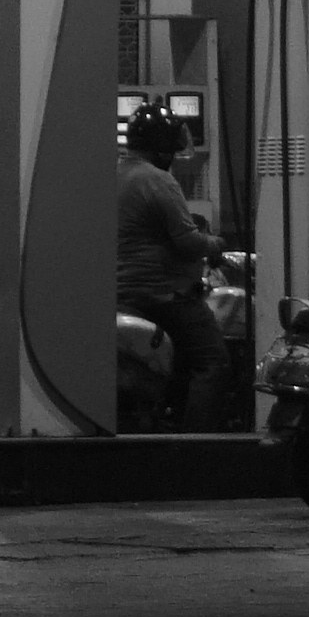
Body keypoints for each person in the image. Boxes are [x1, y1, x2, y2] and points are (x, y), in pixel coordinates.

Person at [119, 106, 224, 426]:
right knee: (213, 363)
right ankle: (197, 443)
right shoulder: (158, 180)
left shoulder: (115, 174)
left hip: (122, 293)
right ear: (162, 148)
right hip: (160, 294)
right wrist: (216, 244)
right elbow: (188, 242)